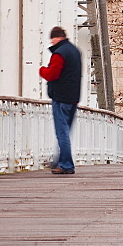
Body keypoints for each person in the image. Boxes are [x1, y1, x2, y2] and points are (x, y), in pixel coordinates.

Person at [39, 26, 82, 174]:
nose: (51, 41)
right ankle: (58, 161)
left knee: (61, 132)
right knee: (66, 131)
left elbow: (52, 74)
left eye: (52, 38)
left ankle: (66, 165)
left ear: (57, 38)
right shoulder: (75, 52)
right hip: (73, 98)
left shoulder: (59, 54)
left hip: (61, 98)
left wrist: (42, 70)